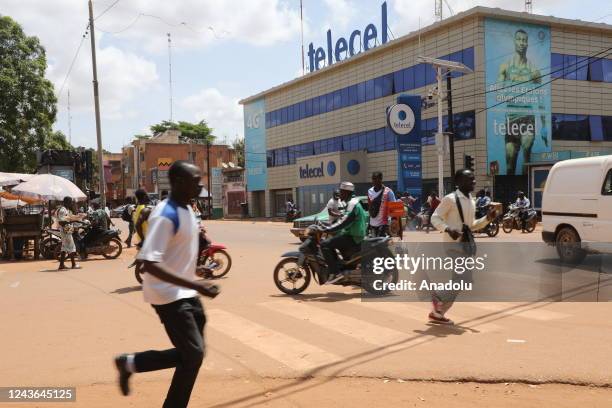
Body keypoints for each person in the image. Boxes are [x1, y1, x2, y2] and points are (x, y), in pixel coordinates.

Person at [114, 161, 220, 408]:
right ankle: (132, 364)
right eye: (196, 180)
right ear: (180, 183)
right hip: (167, 295)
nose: (201, 184)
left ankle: (130, 363)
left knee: (193, 356)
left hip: (186, 290)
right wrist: (201, 286)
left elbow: (177, 252)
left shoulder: (186, 210)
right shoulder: (165, 214)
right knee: (192, 354)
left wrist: (197, 270)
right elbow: (149, 263)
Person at [430, 169, 497, 325]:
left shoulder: (471, 201)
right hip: (452, 246)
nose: (473, 182)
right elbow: (435, 217)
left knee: (461, 280)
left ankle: (438, 312)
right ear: (458, 182)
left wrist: (487, 218)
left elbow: (471, 226)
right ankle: (438, 295)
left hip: (465, 246)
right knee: (463, 278)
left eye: (473, 179)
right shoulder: (450, 199)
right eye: (469, 179)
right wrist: (447, 229)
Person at [497, 28, 549, 175]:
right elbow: (496, 89)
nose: (521, 43)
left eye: (524, 40)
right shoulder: (505, 67)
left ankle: (526, 190)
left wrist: (544, 126)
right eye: (519, 39)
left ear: (527, 44)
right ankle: (509, 193)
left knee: (526, 151)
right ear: (514, 42)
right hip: (511, 120)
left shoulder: (534, 70)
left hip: (527, 118)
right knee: (510, 163)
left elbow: (540, 99)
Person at [319, 182, 367, 284]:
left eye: (341, 192)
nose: (340, 194)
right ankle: (341, 268)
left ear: (346, 192)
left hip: (354, 237)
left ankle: (335, 272)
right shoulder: (351, 202)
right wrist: (328, 226)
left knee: (325, 244)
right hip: (353, 234)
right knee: (333, 242)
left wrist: (328, 229)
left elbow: (344, 222)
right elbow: (343, 219)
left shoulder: (352, 203)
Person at [55, 196, 84, 270]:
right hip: (65, 231)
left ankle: (61, 265)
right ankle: (73, 264)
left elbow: (68, 218)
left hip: (66, 230)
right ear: (66, 202)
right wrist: (72, 220)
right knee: (71, 247)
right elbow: (61, 222)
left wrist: (76, 217)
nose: (71, 203)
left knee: (64, 248)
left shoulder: (64, 210)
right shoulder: (62, 210)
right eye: (70, 202)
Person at [367, 172, 397, 237]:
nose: (374, 181)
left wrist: (393, 222)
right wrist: (369, 223)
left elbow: (395, 208)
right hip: (373, 224)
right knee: (373, 244)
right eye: (373, 179)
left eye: (376, 179)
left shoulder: (388, 191)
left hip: (384, 224)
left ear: (381, 179)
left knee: (381, 244)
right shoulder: (369, 191)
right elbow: (370, 207)